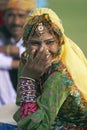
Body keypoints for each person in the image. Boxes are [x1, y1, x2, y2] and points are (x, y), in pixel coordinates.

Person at [13, 8, 87, 130]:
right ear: (26, 43)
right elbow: (22, 109)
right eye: (35, 43)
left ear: (60, 42)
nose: (43, 50)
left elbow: (37, 127)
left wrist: (28, 78)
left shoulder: (61, 76)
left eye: (50, 42)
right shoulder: (27, 59)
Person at [0, 0, 36, 106]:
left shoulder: (38, 35)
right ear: (3, 17)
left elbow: (47, 55)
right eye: (10, 15)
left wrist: (16, 51)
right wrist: (26, 63)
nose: (16, 21)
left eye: (21, 16)